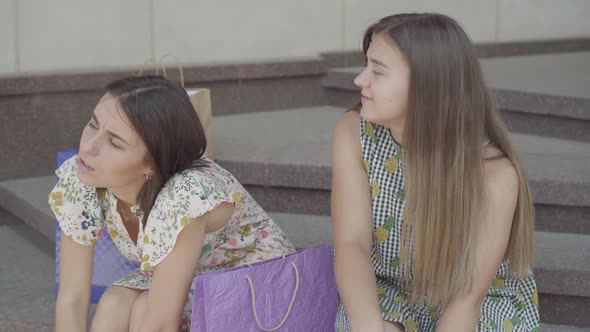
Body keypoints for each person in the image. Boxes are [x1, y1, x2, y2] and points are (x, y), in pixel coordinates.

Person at [331, 13, 540, 332]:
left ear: (427, 85)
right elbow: (352, 242)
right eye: (366, 65)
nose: (361, 79)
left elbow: (468, 297)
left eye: (378, 71)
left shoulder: (495, 175)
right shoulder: (354, 133)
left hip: (474, 304)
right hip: (392, 291)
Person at [49, 76, 295, 332]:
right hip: (192, 272)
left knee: (146, 309)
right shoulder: (83, 178)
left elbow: (160, 323)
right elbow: (72, 298)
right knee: (114, 302)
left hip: (259, 282)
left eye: (114, 142)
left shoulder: (184, 196)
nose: (88, 147)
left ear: (152, 164)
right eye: (92, 124)